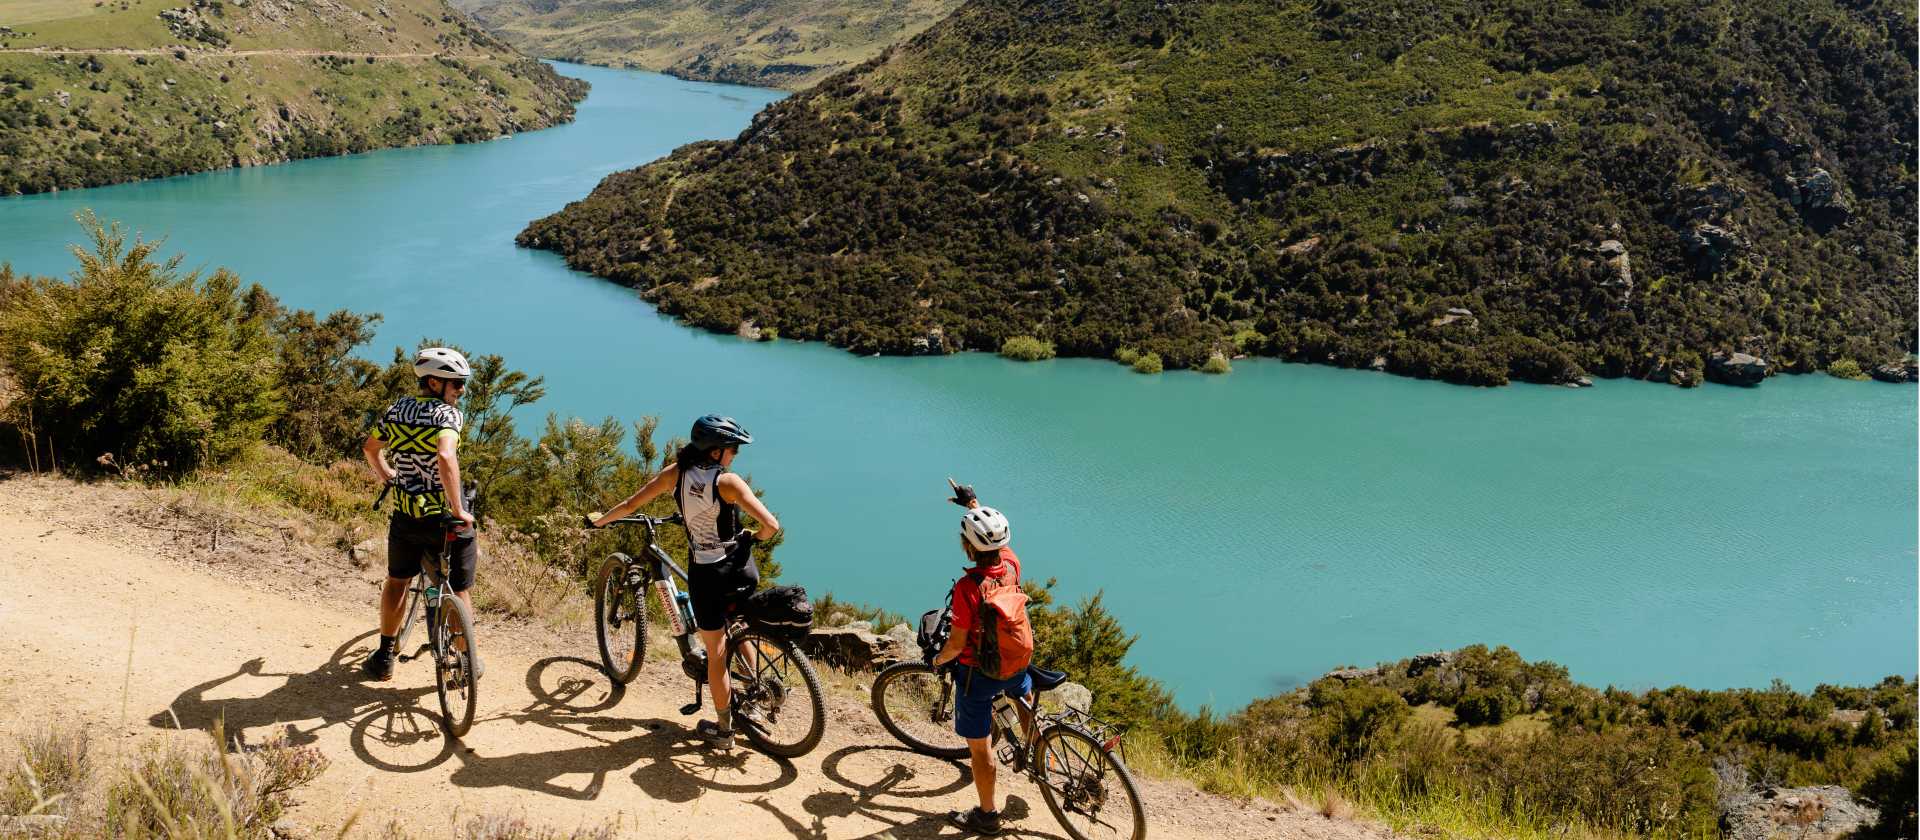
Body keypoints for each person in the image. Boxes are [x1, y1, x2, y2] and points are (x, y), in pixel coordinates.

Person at [586, 414, 781, 751]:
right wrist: (753, 535)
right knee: (733, 624)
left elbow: (632, 504)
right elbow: (770, 526)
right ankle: (754, 689)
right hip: (739, 569)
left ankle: (724, 732)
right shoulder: (729, 483)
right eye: (732, 448)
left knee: (716, 654)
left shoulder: (674, 474)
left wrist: (600, 521)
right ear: (717, 452)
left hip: (707, 574)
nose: (735, 454)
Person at [360, 347, 481, 682]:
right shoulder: (448, 416)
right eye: (456, 384)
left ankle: (384, 657)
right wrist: (458, 509)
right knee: (458, 589)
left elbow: (371, 448)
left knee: (398, 581)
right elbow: (445, 456)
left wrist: (389, 477)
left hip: (408, 516)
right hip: (443, 517)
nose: (461, 390)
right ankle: (465, 661)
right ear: (434, 382)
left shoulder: (398, 409)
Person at [931, 482, 1032, 837]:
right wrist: (973, 504)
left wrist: (939, 661)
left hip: (981, 675)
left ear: (967, 548)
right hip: (1017, 661)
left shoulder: (968, 588)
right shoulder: (1011, 565)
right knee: (1023, 691)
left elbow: (957, 644)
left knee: (980, 747)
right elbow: (995, 540)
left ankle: (987, 815)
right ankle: (1033, 747)